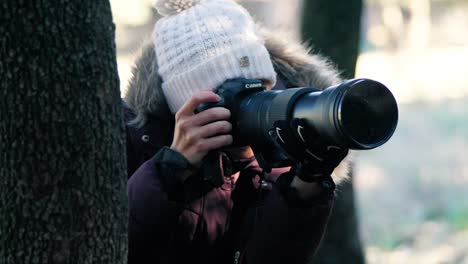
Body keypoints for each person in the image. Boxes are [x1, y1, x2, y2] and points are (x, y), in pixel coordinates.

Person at [124, 0, 351, 263]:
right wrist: (171, 168)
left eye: (257, 89)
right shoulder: (136, 145)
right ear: (187, 108)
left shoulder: (278, 138)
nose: (248, 107)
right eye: (230, 96)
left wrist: (305, 184)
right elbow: (118, 249)